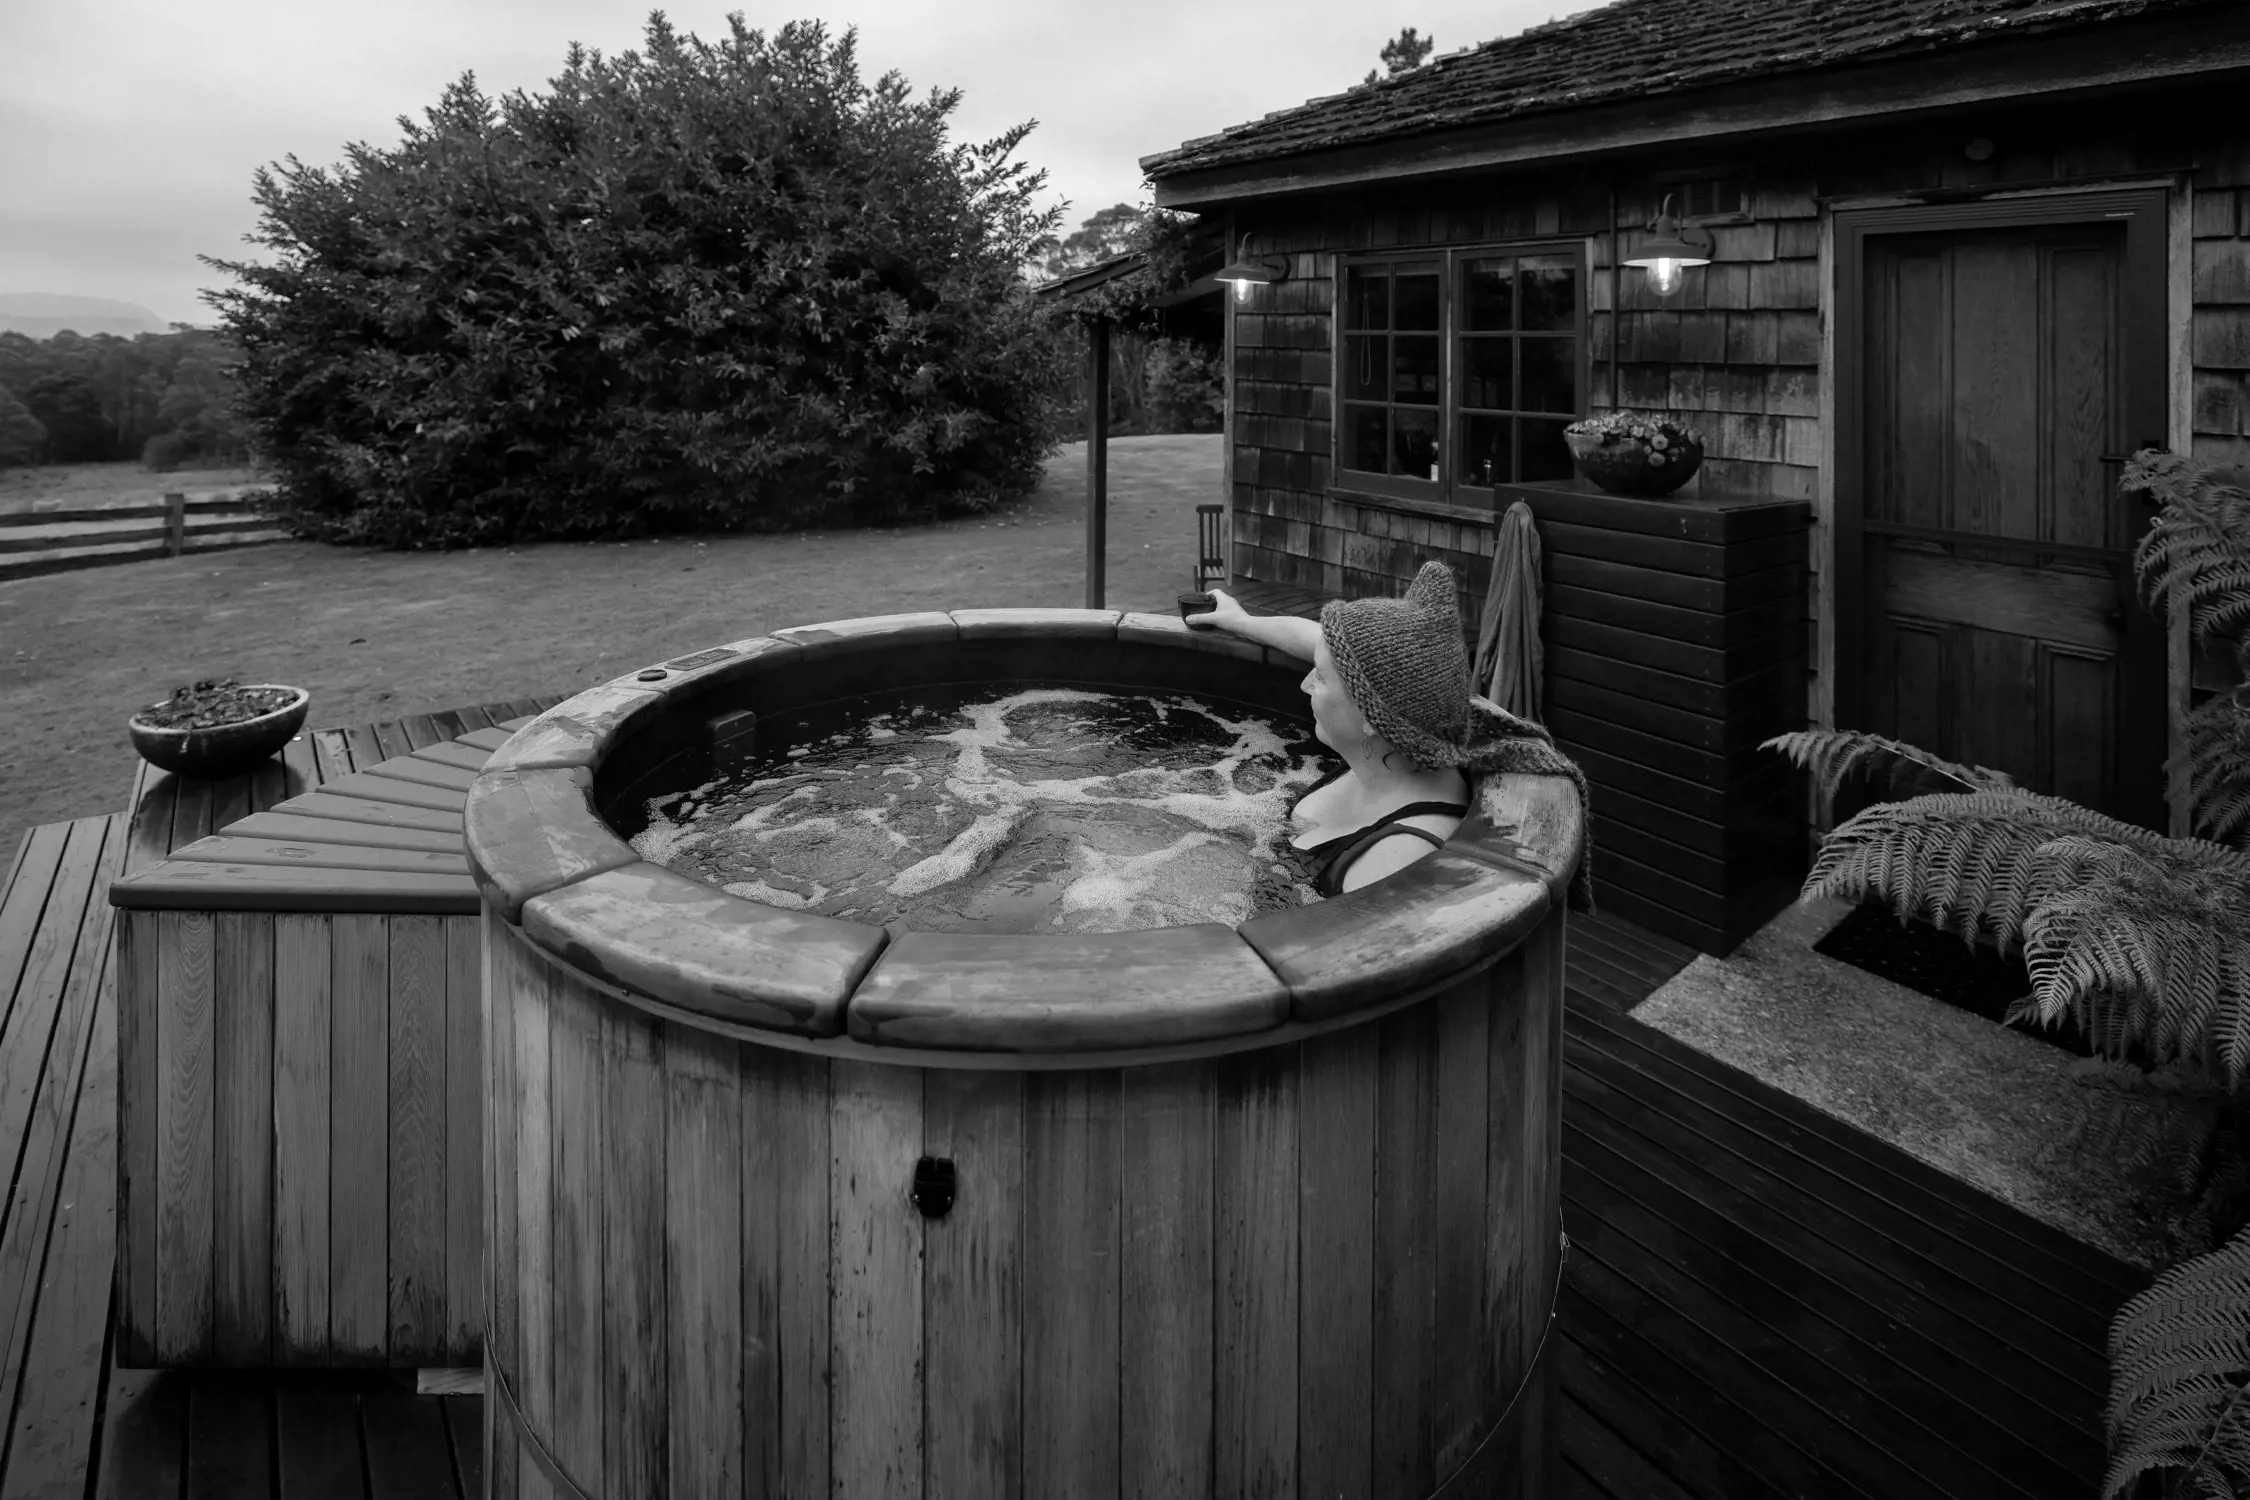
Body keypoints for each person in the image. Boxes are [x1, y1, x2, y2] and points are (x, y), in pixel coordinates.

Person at [1198, 559, 1595, 906]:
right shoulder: (1401, 740)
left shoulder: (1394, 858)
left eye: (1318, 677)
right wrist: (1240, 622)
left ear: (1371, 716)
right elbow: (1316, 642)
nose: (1304, 685)